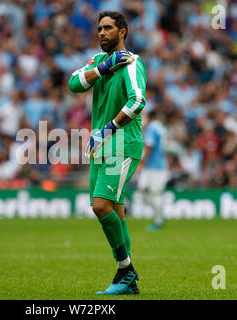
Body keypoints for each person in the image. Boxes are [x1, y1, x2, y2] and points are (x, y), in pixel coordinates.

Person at [68, 11, 146, 295]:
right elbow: (74, 83)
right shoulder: (99, 61)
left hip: (122, 142)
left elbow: (137, 100)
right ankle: (129, 281)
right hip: (100, 145)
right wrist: (102, 69)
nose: (102, 33)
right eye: (99, 28)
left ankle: (125, 270)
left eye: (108, 28)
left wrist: (110, 127)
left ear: (122, 32)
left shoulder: (132, 62)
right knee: (115, 211)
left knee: (100, 206)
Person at [137, 110, 169, 231]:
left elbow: (149, 145)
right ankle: (160, 215)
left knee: (152, 193)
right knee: (146, 191)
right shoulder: (162, 128)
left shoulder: (151, 128)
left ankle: (159, 220)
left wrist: (142, 160)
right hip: (158, 165)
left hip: (154, 167)